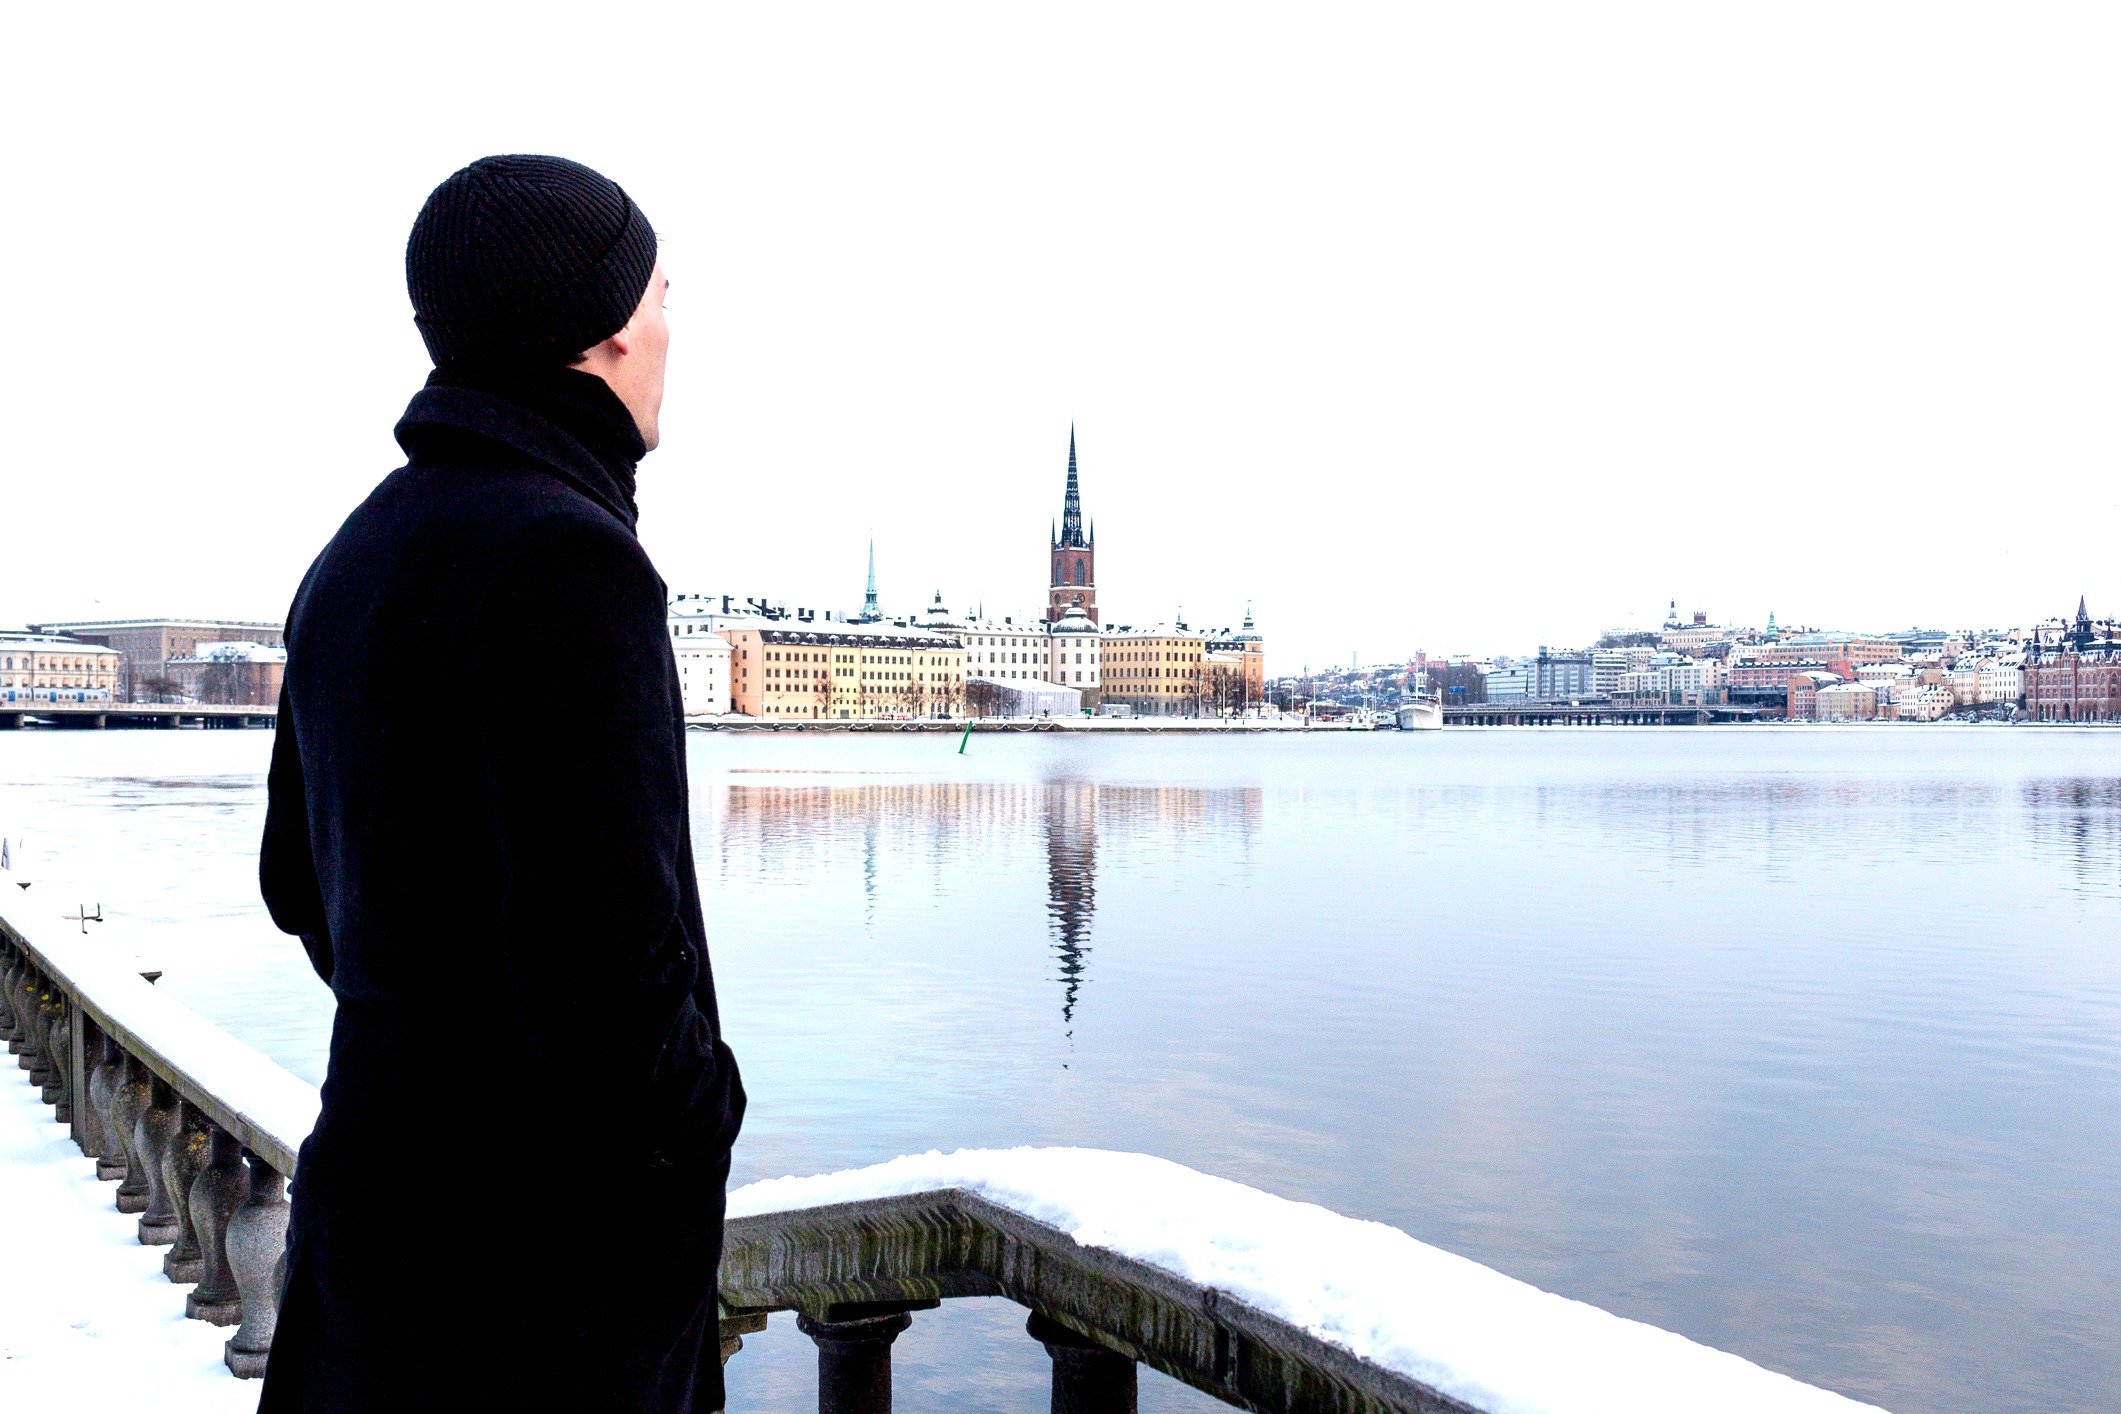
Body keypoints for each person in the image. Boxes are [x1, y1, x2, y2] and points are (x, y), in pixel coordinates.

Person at [257, 154, 745, 1412]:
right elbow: (615, 978)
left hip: (375, 1241)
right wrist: (702, 1119)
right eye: (660, 293)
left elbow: (296, 890)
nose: (672, 330)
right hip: (541, 1296)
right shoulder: (573, 563)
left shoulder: (352, 555)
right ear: (604, 333)